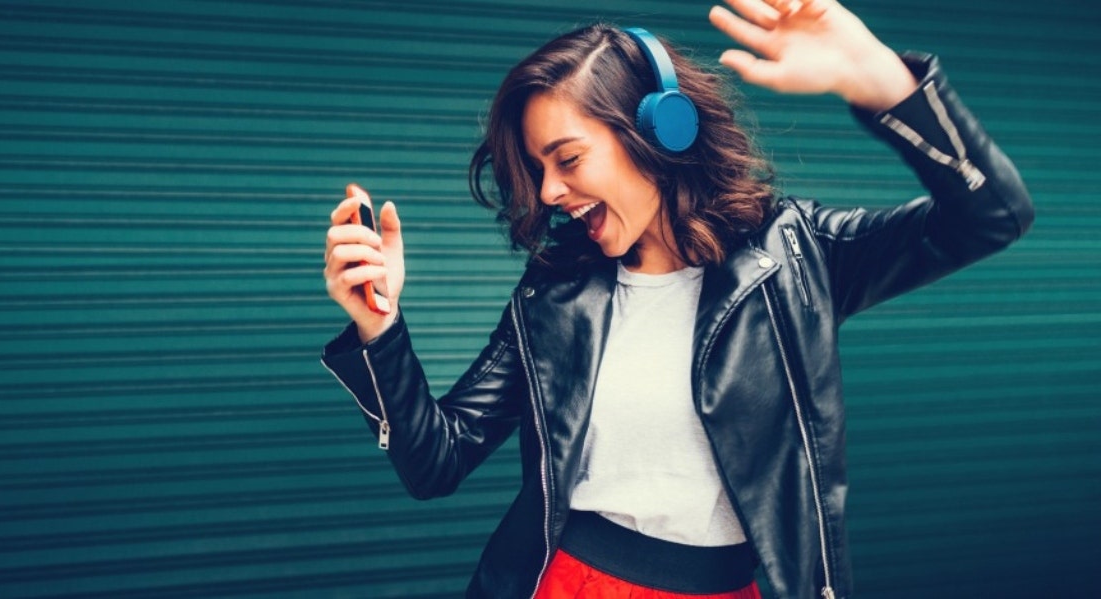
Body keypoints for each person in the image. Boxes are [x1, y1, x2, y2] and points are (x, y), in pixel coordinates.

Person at [320, 0, 1034, 597]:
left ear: (659, 129)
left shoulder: (795, 255)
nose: (548, 193)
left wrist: (882, 81)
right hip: (566, 583)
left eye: (567, 159)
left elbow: (992, 213)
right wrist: (379, 327)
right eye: (537, 170)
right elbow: (435, 460)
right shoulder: (554, 292)